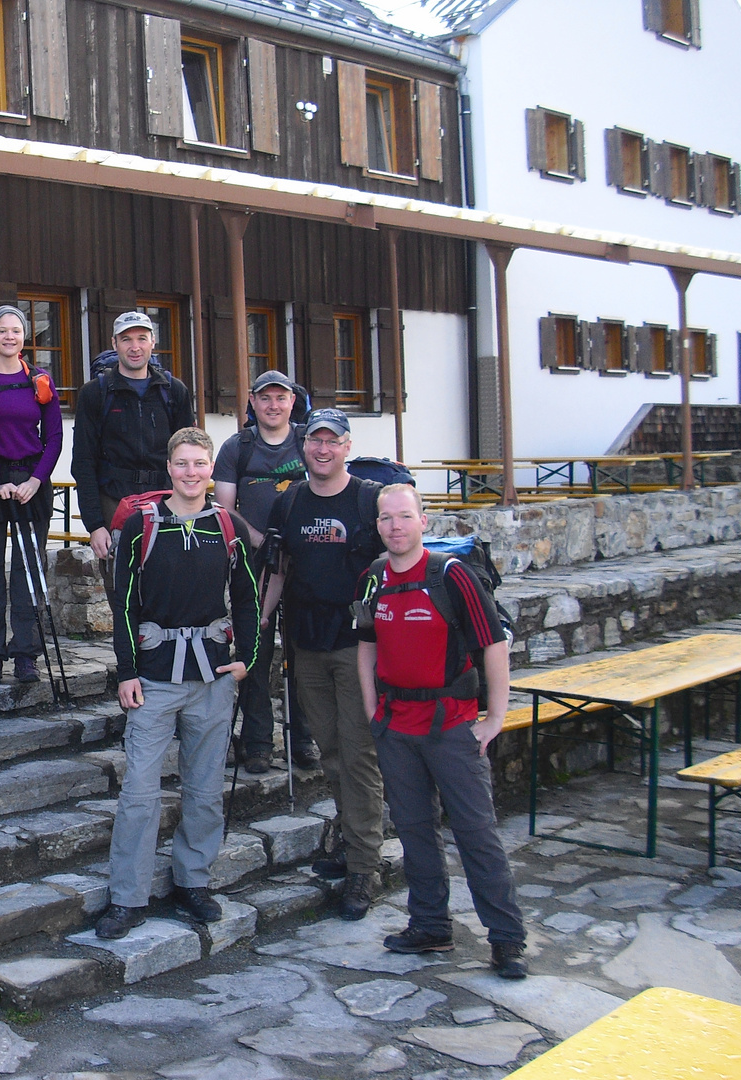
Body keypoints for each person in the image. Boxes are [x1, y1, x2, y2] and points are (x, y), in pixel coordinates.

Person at [355, 484, 527, 979]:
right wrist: (372, 709)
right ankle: (430, 925)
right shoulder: (373, 578)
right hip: (396, 726)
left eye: (405, 517)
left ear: (423, 521)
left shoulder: (453, 577)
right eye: (386, 519)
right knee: (414, 830)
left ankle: (507, 939)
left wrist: (494, 717)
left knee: (476, 832)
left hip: (451, 726)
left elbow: (493, 645)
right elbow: (366, 642)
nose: (395, 527)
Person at [96, 427, 260, 939]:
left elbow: (248, 597)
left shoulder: (226, 525)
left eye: (200, 464)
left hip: (212, 676)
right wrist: (126, 672)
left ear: (211, 470)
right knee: (140, 793)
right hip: (154, 677)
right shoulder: (143, 524)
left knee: (206, 790)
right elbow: (123, 603)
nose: (192, 473)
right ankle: (127, 896)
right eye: (183, 463)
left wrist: (247, 659)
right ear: (169, 468)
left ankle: (193, 882)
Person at [261, 407, 386, 921]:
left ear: (347, 447)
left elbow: (397, 565)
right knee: (332, 749)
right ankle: (347, 839)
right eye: (315, 440)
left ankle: (365, 866)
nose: (322, 449)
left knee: (358, 755)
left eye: (332, 441)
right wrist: (257, 629)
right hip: (306, 644)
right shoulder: (289, 503)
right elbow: (278, 570)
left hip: (357, 646)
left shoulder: (369, 500)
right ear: (303, 446)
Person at [212, 370, 319, 773]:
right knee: (255, 649)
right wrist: (262, 540)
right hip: (253, 562)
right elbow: (225, 508)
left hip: (306, 559)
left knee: (302, 651)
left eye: (281, 398)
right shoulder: (237, 447)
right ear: (253, 403)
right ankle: (258, 743)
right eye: (265, 398)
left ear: (293, 402)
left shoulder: (308, 442)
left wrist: (295, 541)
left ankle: (303, 739)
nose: (273, 405)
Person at [70, 312, 195, 596]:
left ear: (153, 342)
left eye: (141, 338)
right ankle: (128, 643)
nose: (134, 347)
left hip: (166, 501)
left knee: (170, 590)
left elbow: (189, 455)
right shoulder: (95, 393)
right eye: (126, 339)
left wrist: (191, 509)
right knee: (122, 593)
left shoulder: (174, 391)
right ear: (115, 344)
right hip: (114, 501)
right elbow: (83, 463)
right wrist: (95, 526)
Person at [0, 305, 64, 684]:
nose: (9, 337)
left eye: (16, 331)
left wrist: (36, 481)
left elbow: (55, 438)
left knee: (28, 570)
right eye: (2, 331)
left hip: (30, 484)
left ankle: (26, 653)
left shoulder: (40, 381)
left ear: (24, 337)